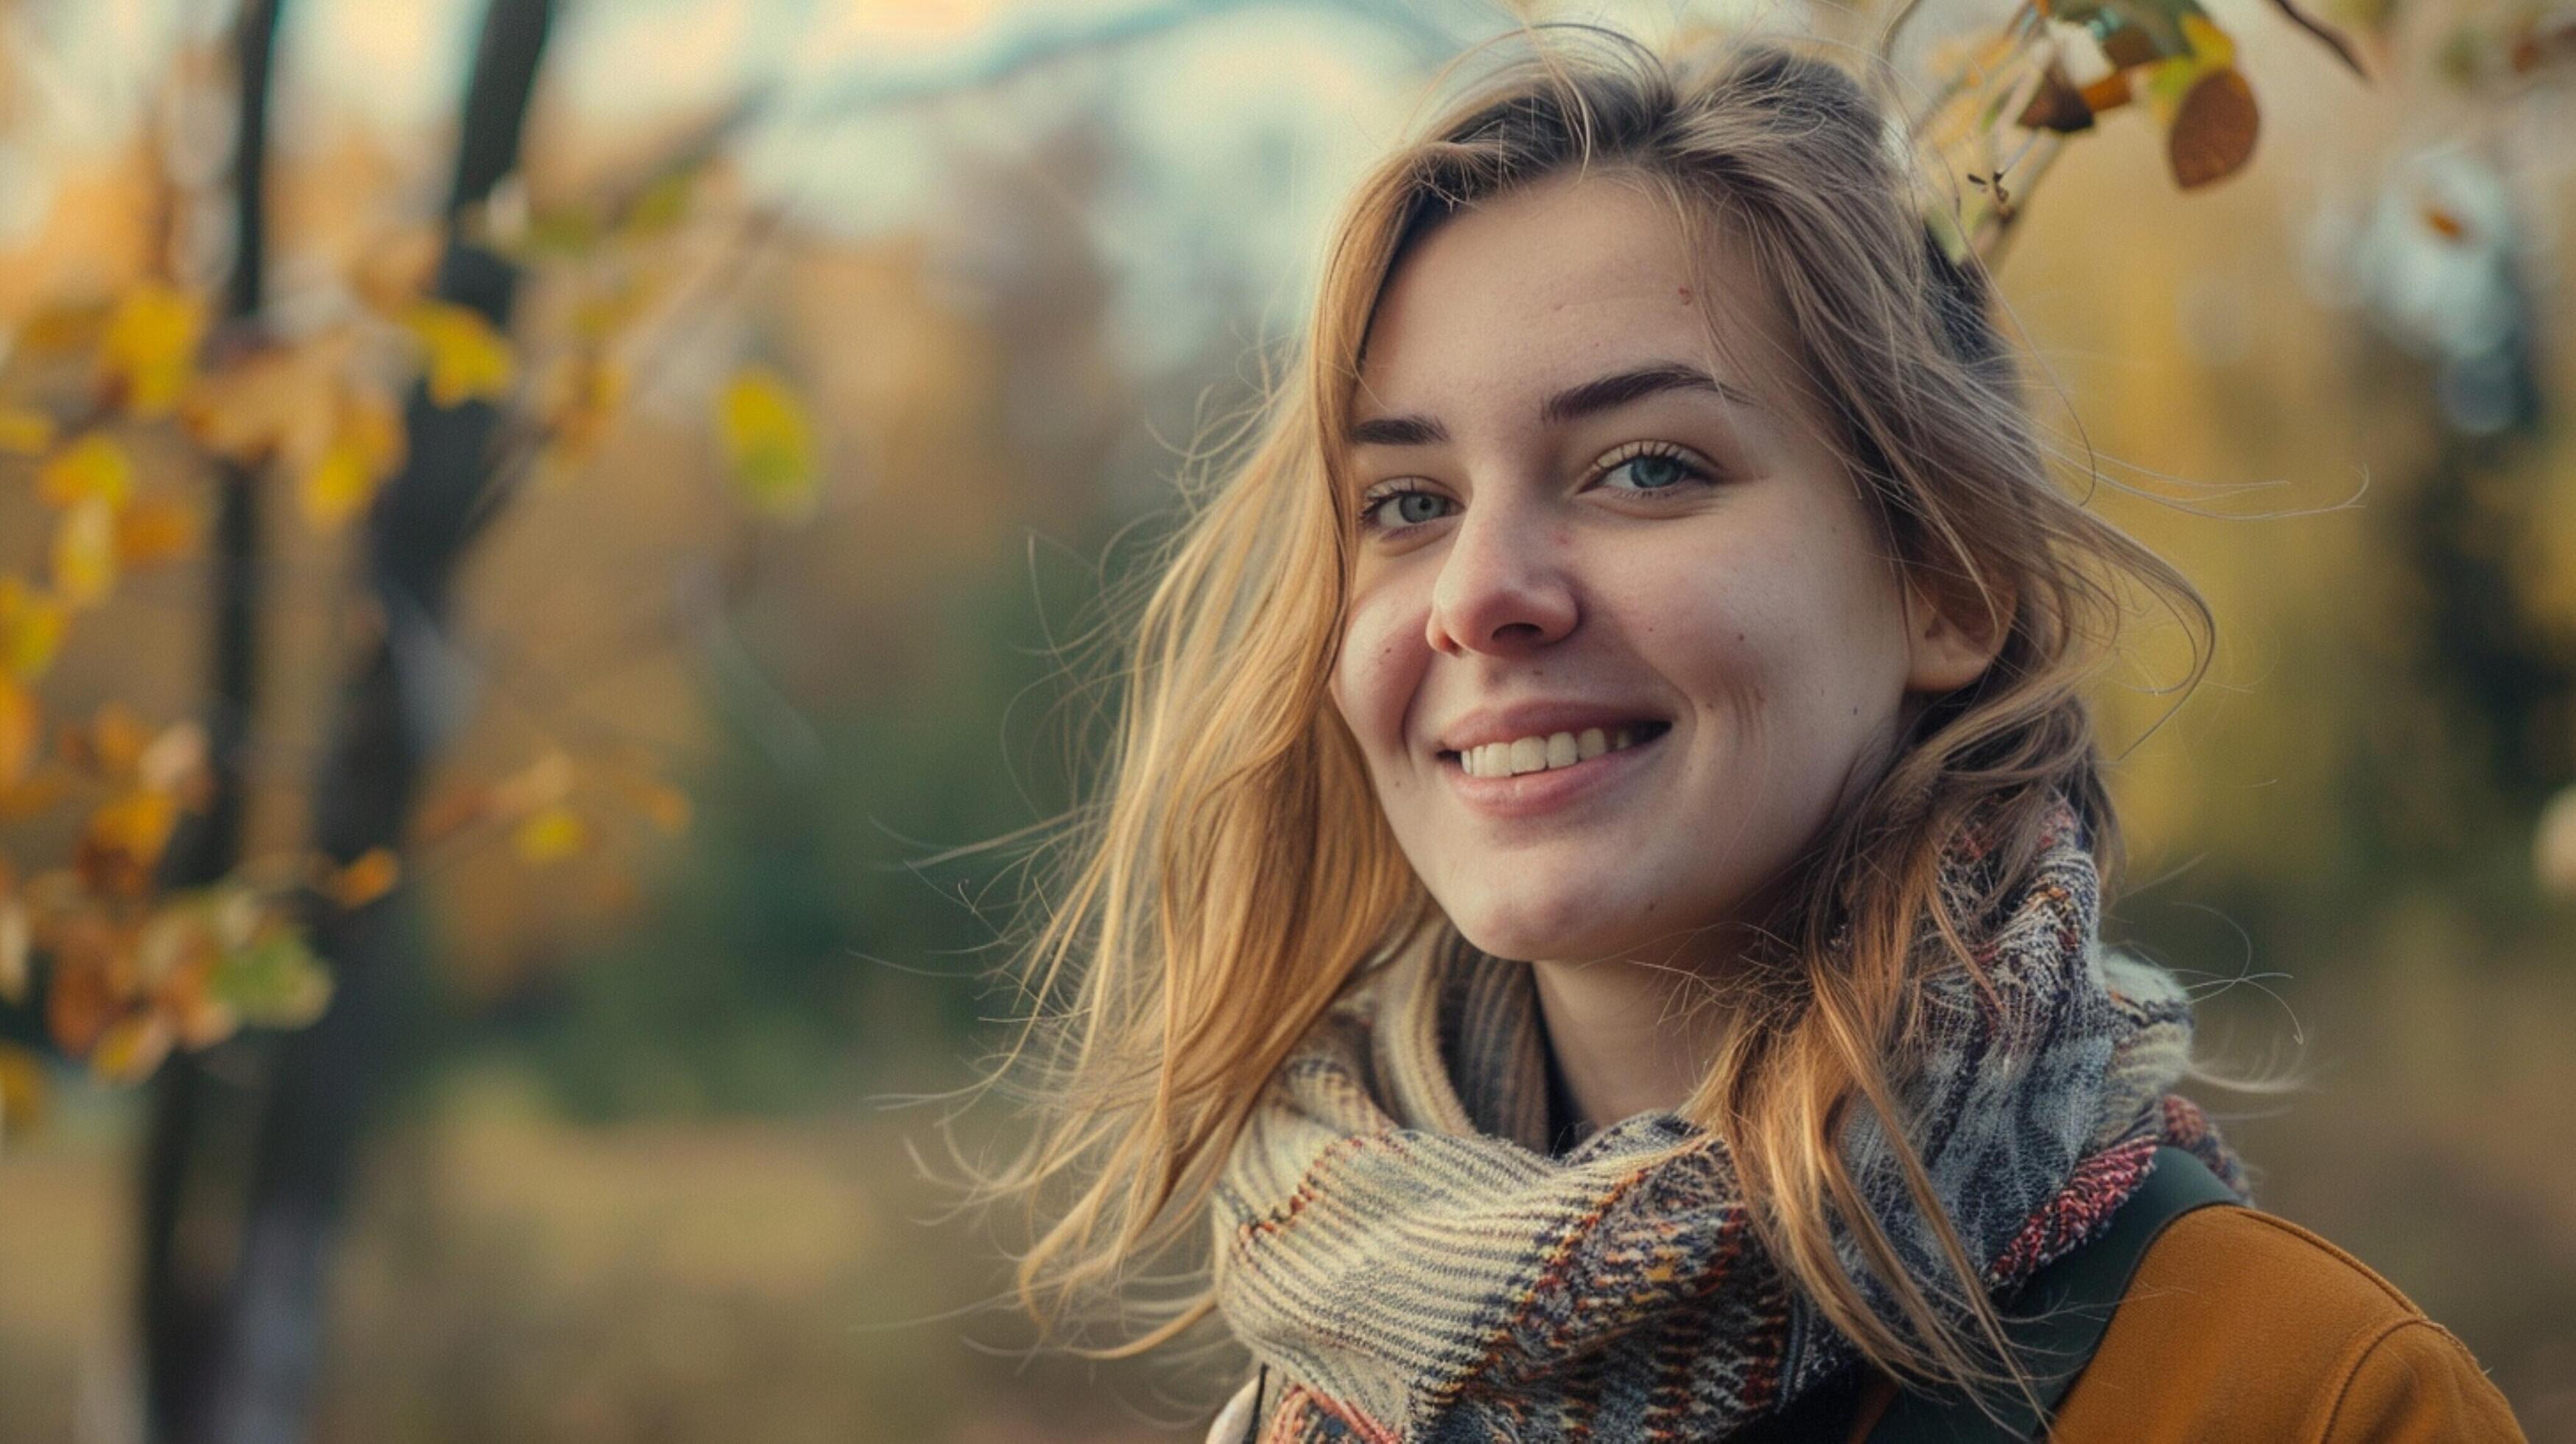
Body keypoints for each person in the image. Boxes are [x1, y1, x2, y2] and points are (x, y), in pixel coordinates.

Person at [979, 24, 2527, 1443]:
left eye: (1646, 467)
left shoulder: (2302, 1391)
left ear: (1947, 579)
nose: (1478, 595)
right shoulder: (1305, 1404)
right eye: (1406, 501)